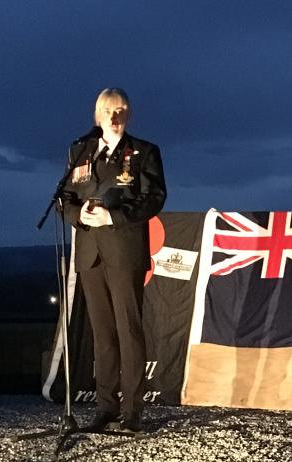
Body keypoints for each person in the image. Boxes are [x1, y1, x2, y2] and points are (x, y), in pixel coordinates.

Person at [61, 88, 167, 432]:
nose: (115, 116)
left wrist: (114, 217)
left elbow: (155, 198)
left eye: (121, 110)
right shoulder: (81, 150)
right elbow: (64, 197)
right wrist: (79, 213)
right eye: (109, 111)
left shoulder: (144, 152)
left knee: (128, 330)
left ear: (128, 114)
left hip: (124, 249)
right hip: (90, 252)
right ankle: (105, 407)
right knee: (102, 333)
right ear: (98, 115)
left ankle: (132, 411)